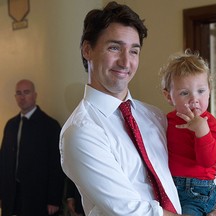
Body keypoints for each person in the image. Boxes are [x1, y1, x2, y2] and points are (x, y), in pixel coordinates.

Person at [59, 1, 185, 216]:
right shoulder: (80, 132)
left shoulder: (154, 116)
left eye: (134, 51)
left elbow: (180, 176)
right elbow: (129, 211)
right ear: (87, 50)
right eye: (114, 48)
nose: (126, 62)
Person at [160, 49, 216, 216]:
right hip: (170, 186)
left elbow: (208, 161)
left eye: (201, 91)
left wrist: (202, 132)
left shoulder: (210, 124)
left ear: (209, 91)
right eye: (184, 93)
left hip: (198, 191)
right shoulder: (166, 121)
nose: (194, 99)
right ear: (168, 97)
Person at [0, 79, 65, 216]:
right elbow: (3, 162)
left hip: (38, 197)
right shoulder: (11, 125)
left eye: (26, 92)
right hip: (12, 195)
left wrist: (54, 199)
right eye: (18, 93)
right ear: (15, 97)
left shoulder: (49, 126)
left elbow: (56, 165)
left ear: (35, 95)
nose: (22, 97)